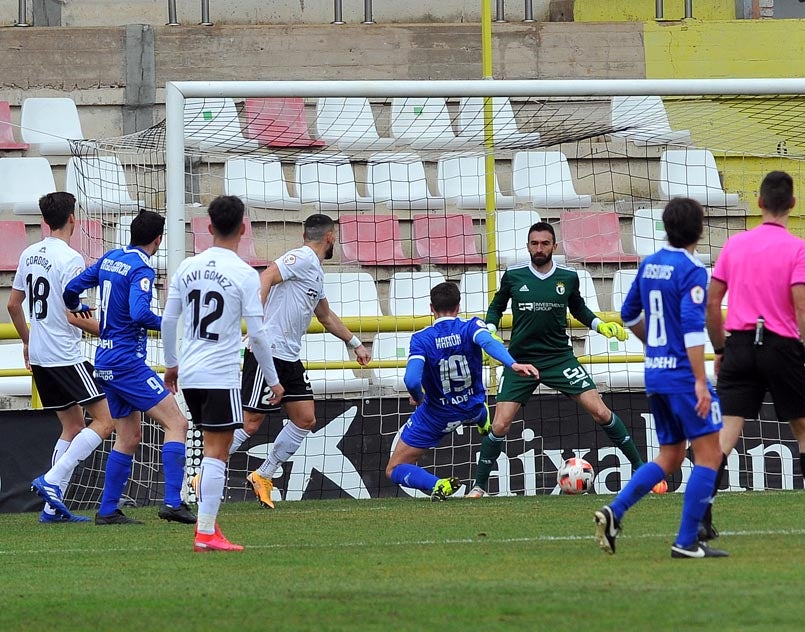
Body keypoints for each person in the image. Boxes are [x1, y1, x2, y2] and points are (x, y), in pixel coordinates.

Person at [705, 171, 805, 537]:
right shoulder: (798, 249)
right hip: (780, 347)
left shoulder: (735, 246)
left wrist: (722, 349)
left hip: (740, 344)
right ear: (792, 203)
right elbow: (804, 307)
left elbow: (712, 302)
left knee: (724, 436)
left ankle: (701, 520)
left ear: (759, 203)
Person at [594, 197, 727, 559]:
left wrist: (654, 344)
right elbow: (692, 329)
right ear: (699, 229)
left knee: (670, 455)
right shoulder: (692, 269)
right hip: (684, 377)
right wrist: (701, 381)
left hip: (656, 374)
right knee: (709, 455)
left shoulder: (650, 263)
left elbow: (627, 313)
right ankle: (686, 542)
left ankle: (614, 512)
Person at [469, 222, 643, 497]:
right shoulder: (513, 276)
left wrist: (600, 325)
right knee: (500, 424)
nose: (539, 248)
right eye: (534, 244)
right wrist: (489, 330)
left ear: (554, 246)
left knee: (600, 411)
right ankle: (478, 486)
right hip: (521, 361)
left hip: (560, 359)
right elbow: (496, 307)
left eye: (545, 244)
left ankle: (640, 469)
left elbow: (579, 309)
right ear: (528, 246)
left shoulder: (567, 277)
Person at [161, 195, 284, 552]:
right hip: (220, 374)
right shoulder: (245, 274)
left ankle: (206, 529)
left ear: (209, 227)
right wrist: (273, 380)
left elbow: (169, 320)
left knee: (213, 450)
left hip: (190, 373)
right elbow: (258, 334)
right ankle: (206, 531)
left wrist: (171, 363)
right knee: (217, 452)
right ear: (243, 228)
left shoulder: (187, 267)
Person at [226, 214, 371, 509]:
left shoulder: (315, 272)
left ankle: (263, 475)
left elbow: (325, 316)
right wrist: (256, 326)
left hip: (289, 357)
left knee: (305, 419)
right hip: (268, 352)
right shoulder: (301, 258)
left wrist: (354, 343)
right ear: (330, 237)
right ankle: (206, 470)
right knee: (251, 422)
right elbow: (266, 276)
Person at [64, 209, 193, 526]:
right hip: (125, 361)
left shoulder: (110, 257)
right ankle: (173, 503)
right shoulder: (141, 268)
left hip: (104, 359)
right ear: (158, 240)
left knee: (129, 436)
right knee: (177, 423)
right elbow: (139, 313)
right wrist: (172, 324)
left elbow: (70, 289)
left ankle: (107, 510)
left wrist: (77, 307)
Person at [12, 192, 114, 523]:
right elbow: (74, 314)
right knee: (106, 420)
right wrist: (106, 330)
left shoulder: (29, 253)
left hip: (41, 353)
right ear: (73, 218)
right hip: (64, 354)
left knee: (71, 425)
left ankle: (51, 508)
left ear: (45, 220)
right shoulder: (70, 259)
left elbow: (14, 304)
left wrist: (27, 342)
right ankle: (52, 480)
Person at [386, 282, 539, 499]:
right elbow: (487, 341)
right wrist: (512, 364)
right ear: (458, 306)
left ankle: (439, 484)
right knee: (475, 406)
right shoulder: (471, 326)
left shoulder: (422, 338)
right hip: (470, 403)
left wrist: (418, 397)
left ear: (431, 308)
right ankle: (481, 414)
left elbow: (411, 380)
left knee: (394, 468)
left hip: (436, 415)